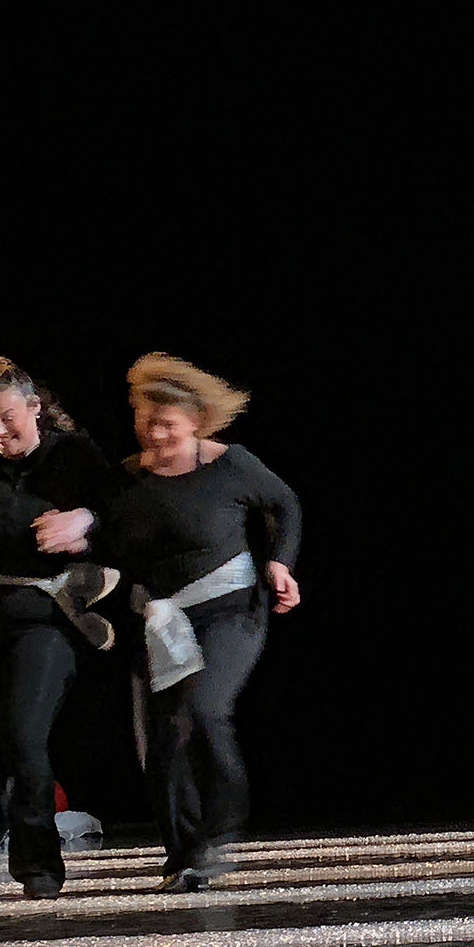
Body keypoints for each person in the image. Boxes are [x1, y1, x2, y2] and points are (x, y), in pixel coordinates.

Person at [89, 353, 301, 893]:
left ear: (196, 422)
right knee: (160, 742)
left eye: (168, 424)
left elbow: (285, 505)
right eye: (146, 421)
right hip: (160, 617)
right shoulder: (124, 481)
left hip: (230, 605)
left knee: (204, 708)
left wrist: (280, 563)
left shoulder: (231, 465)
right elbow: (103, 537)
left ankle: (221, 823)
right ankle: (184, 859)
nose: (155, 434)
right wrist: (77, 529)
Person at [0, 357, 116, 899]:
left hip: (43, 616)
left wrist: (86, 522)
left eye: (7, 418)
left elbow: (122, 519)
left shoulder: (74, 456)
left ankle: (38, 864)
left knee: (23, 739)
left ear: (35, 408)